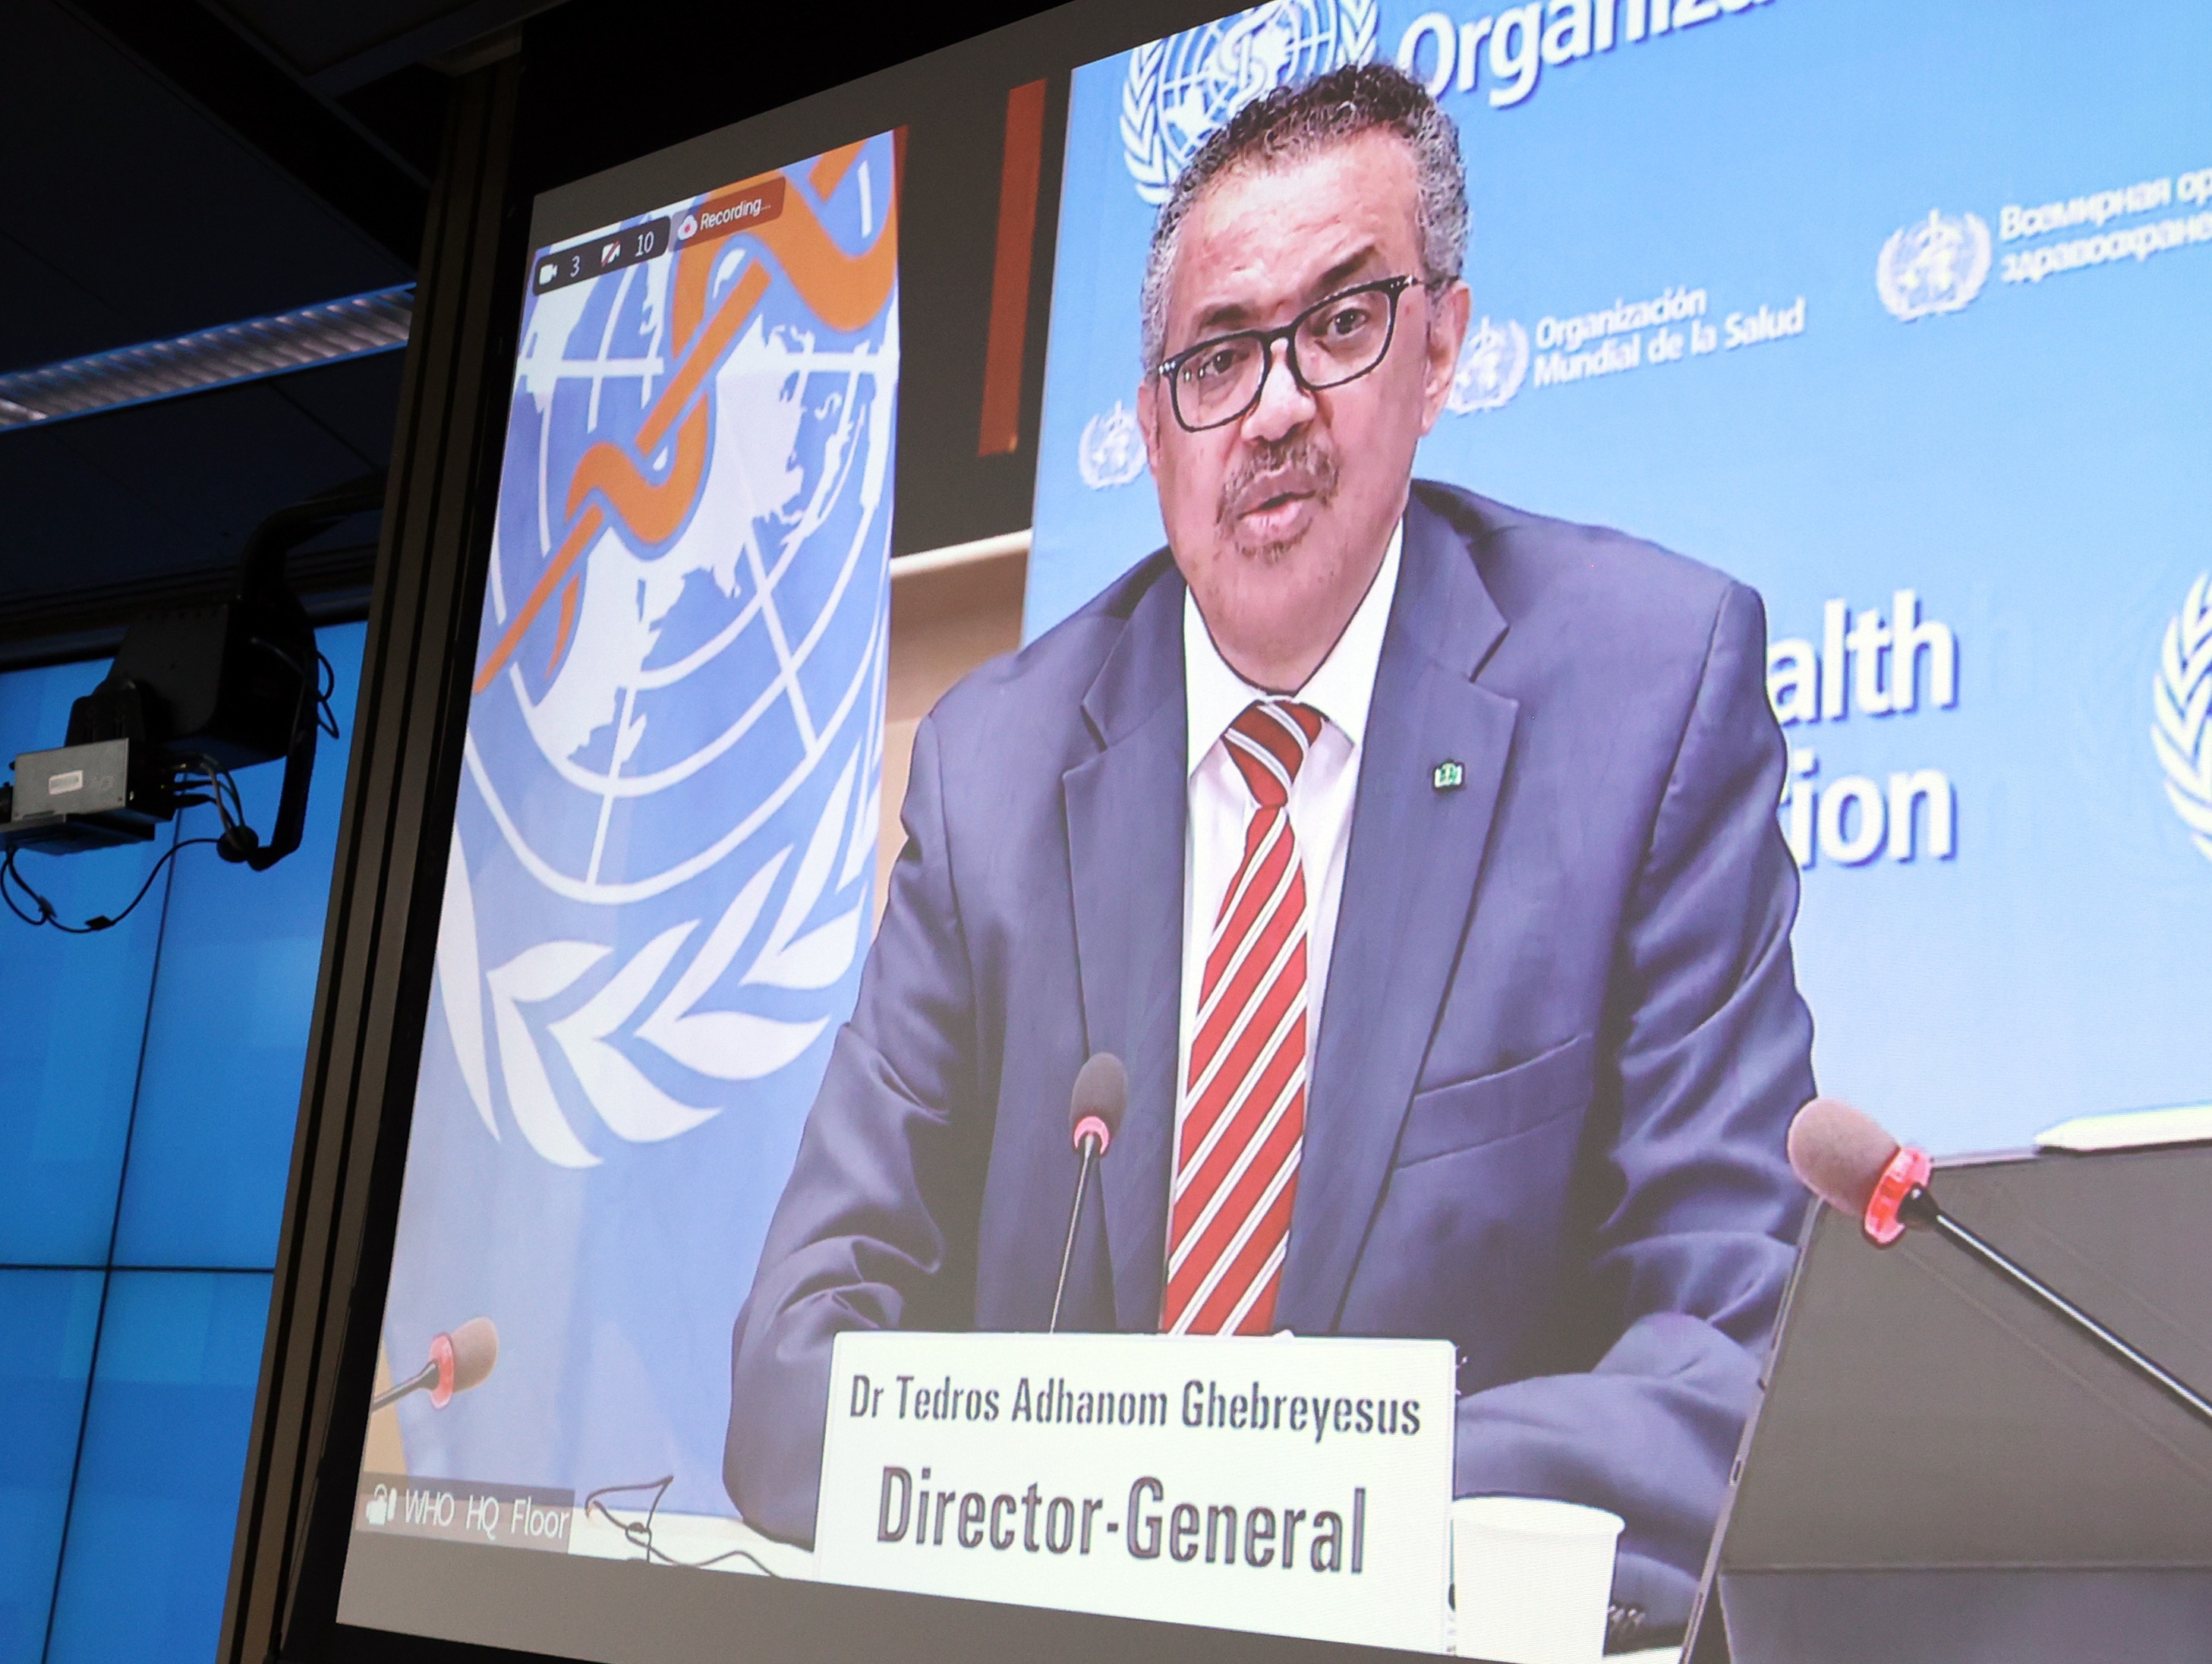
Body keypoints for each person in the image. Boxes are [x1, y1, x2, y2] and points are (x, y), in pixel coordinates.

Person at [726, 61, 1815, 1634]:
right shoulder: (994, 766)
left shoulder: (1648, 690)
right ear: (1154, 426)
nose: (1279, 403)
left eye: (1343, 323)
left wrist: (1272, 1493)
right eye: (1218, 357)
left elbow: (1733, 1363)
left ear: (1439, 345)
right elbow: (791, 1374)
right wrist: (1141, 1497)